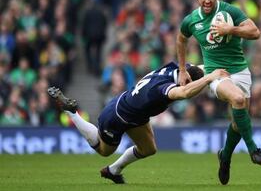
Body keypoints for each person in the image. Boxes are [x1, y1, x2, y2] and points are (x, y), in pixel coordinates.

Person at [47, 61, 229, 184]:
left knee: (149, 149)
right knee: (104, 150)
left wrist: (221, 69)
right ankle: (72, 113)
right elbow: (184, 93)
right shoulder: (163, 89)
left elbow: (198, 68)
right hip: (117, 116)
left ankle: (113, 171)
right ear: (187, 81)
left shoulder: (178, 69)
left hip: (136, 113)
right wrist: (209, 78)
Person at [176, 0, 261, 185]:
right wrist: (182, 70)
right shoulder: (191, 20)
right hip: (217, 73)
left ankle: (225, 156)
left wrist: (231, 30)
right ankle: (254, 150)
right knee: (237, 99)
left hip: (241, 71)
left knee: (239, 122)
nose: (207, 0)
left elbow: (255, 32)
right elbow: (181, 39)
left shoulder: (231, 12)